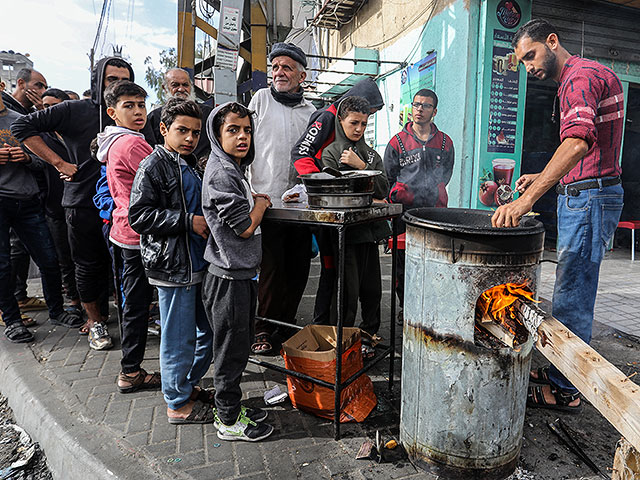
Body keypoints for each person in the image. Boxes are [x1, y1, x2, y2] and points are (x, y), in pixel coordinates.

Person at [492, 19, 624, 412]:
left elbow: (578, 142)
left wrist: (526, 198)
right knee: (571, 289)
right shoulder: (587, 74)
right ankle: (557, 373)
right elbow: (585, 145)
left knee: (572, 296)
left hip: (589, 198)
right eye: (522, 61)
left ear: (552, 41)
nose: (529, 66)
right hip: (587, 191)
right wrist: (539, 176)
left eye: (531, 55)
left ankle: (564, 389)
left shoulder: (577, 79)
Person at [12, 56, 136, 350]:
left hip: (125, 208)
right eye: (111, 79)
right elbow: (22, 128)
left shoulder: (134, 115)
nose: (118, 85)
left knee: (125, 266)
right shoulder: (74, 110)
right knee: (88, 264)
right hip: (83, 203)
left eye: (124, 79)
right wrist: (58, 162)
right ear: (97, 81)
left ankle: (132, 318)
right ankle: (96, 322)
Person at [129, 98, 214, 423]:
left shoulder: (190, 162)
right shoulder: (153, 165)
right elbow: (138, 215)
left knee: (207, 333)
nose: (190, 137)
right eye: (182, 130)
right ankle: (177, 403)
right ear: (164, 129)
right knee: (179, 340)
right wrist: (186, 221)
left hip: (197, 264)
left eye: (195, 132)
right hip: (173, 267)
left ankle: (184, 385)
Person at [201, 102, 274, 441]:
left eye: (246, 130)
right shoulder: (221, 171)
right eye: (233, 130)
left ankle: (231, 407)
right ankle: (228, 420)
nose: (243, 136)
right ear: (217, 135)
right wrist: (260, 205)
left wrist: (253, 200)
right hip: (227, 280)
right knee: (230, 353)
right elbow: (244, 227)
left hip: (239, 274)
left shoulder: (232, 168)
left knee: (239, 346)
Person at [0, 81, 81, 343]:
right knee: (2, 266)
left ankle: (57, 310)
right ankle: (12, 320)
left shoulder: (20, 121)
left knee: (49, 259)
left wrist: (26, 158)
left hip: (27, 200)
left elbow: (41, 162)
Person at [247, 42, 316, 355]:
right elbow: (243, 143)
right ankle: (262, 328)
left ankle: (285, 326)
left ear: (302, 75)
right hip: (267, 201)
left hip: (300, 205)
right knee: (272, 269)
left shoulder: (311, 112)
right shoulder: (260, 100)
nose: (279, 73)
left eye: (287, 67)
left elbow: (314, 155)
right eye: (275, 67)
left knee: (298, 267)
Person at [96, 80, 160, 393]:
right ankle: (131, 372)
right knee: (136, 304)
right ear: (112, 112)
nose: (138, 112)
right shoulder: (133, 144)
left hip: (123, 229)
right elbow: (162, 184)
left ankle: (131, 367)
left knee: (132, 302)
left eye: (141, 105)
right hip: (138, 235)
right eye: (129, 106)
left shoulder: (113, 141)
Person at [318, 96, 390, 335]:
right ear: (341, 121)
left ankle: (370, 334)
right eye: (353, 123)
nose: (359, 129)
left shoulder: (370, 155)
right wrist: (369, 190)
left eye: (364, 124)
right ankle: (342, 338)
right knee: (347, 292)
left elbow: (383, 189)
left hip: (371, 233)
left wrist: (361, 167)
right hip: (346, 234)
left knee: (373, 290)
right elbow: (336, 192)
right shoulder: (330, 153)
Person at [384, 88, 454, 320]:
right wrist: (401, 195)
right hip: (403, 214)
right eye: (416, 105)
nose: (419, 110)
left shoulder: (445, 142)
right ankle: (406, 307)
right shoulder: (397, 143)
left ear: (434, 111)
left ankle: (429, 306)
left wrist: (436, 193)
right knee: (402, 265)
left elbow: (446, 175)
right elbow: (388, 177)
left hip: (435, 214)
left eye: (425, 106)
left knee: (434, 261)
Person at [39, 88, 82, 316]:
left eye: (53, 106)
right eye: (44, 107)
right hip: (55, 206)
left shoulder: (78, 133)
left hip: (82, 203)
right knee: (64, 256)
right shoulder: (42, 139)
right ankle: (73, 300)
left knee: (85, 256)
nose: (49, 111)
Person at [145, 68, 213, 164]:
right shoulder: (154, 117)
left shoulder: (209, 114)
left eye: (185, 85)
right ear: (165, 88)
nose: (181, 89)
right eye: (175, 85)